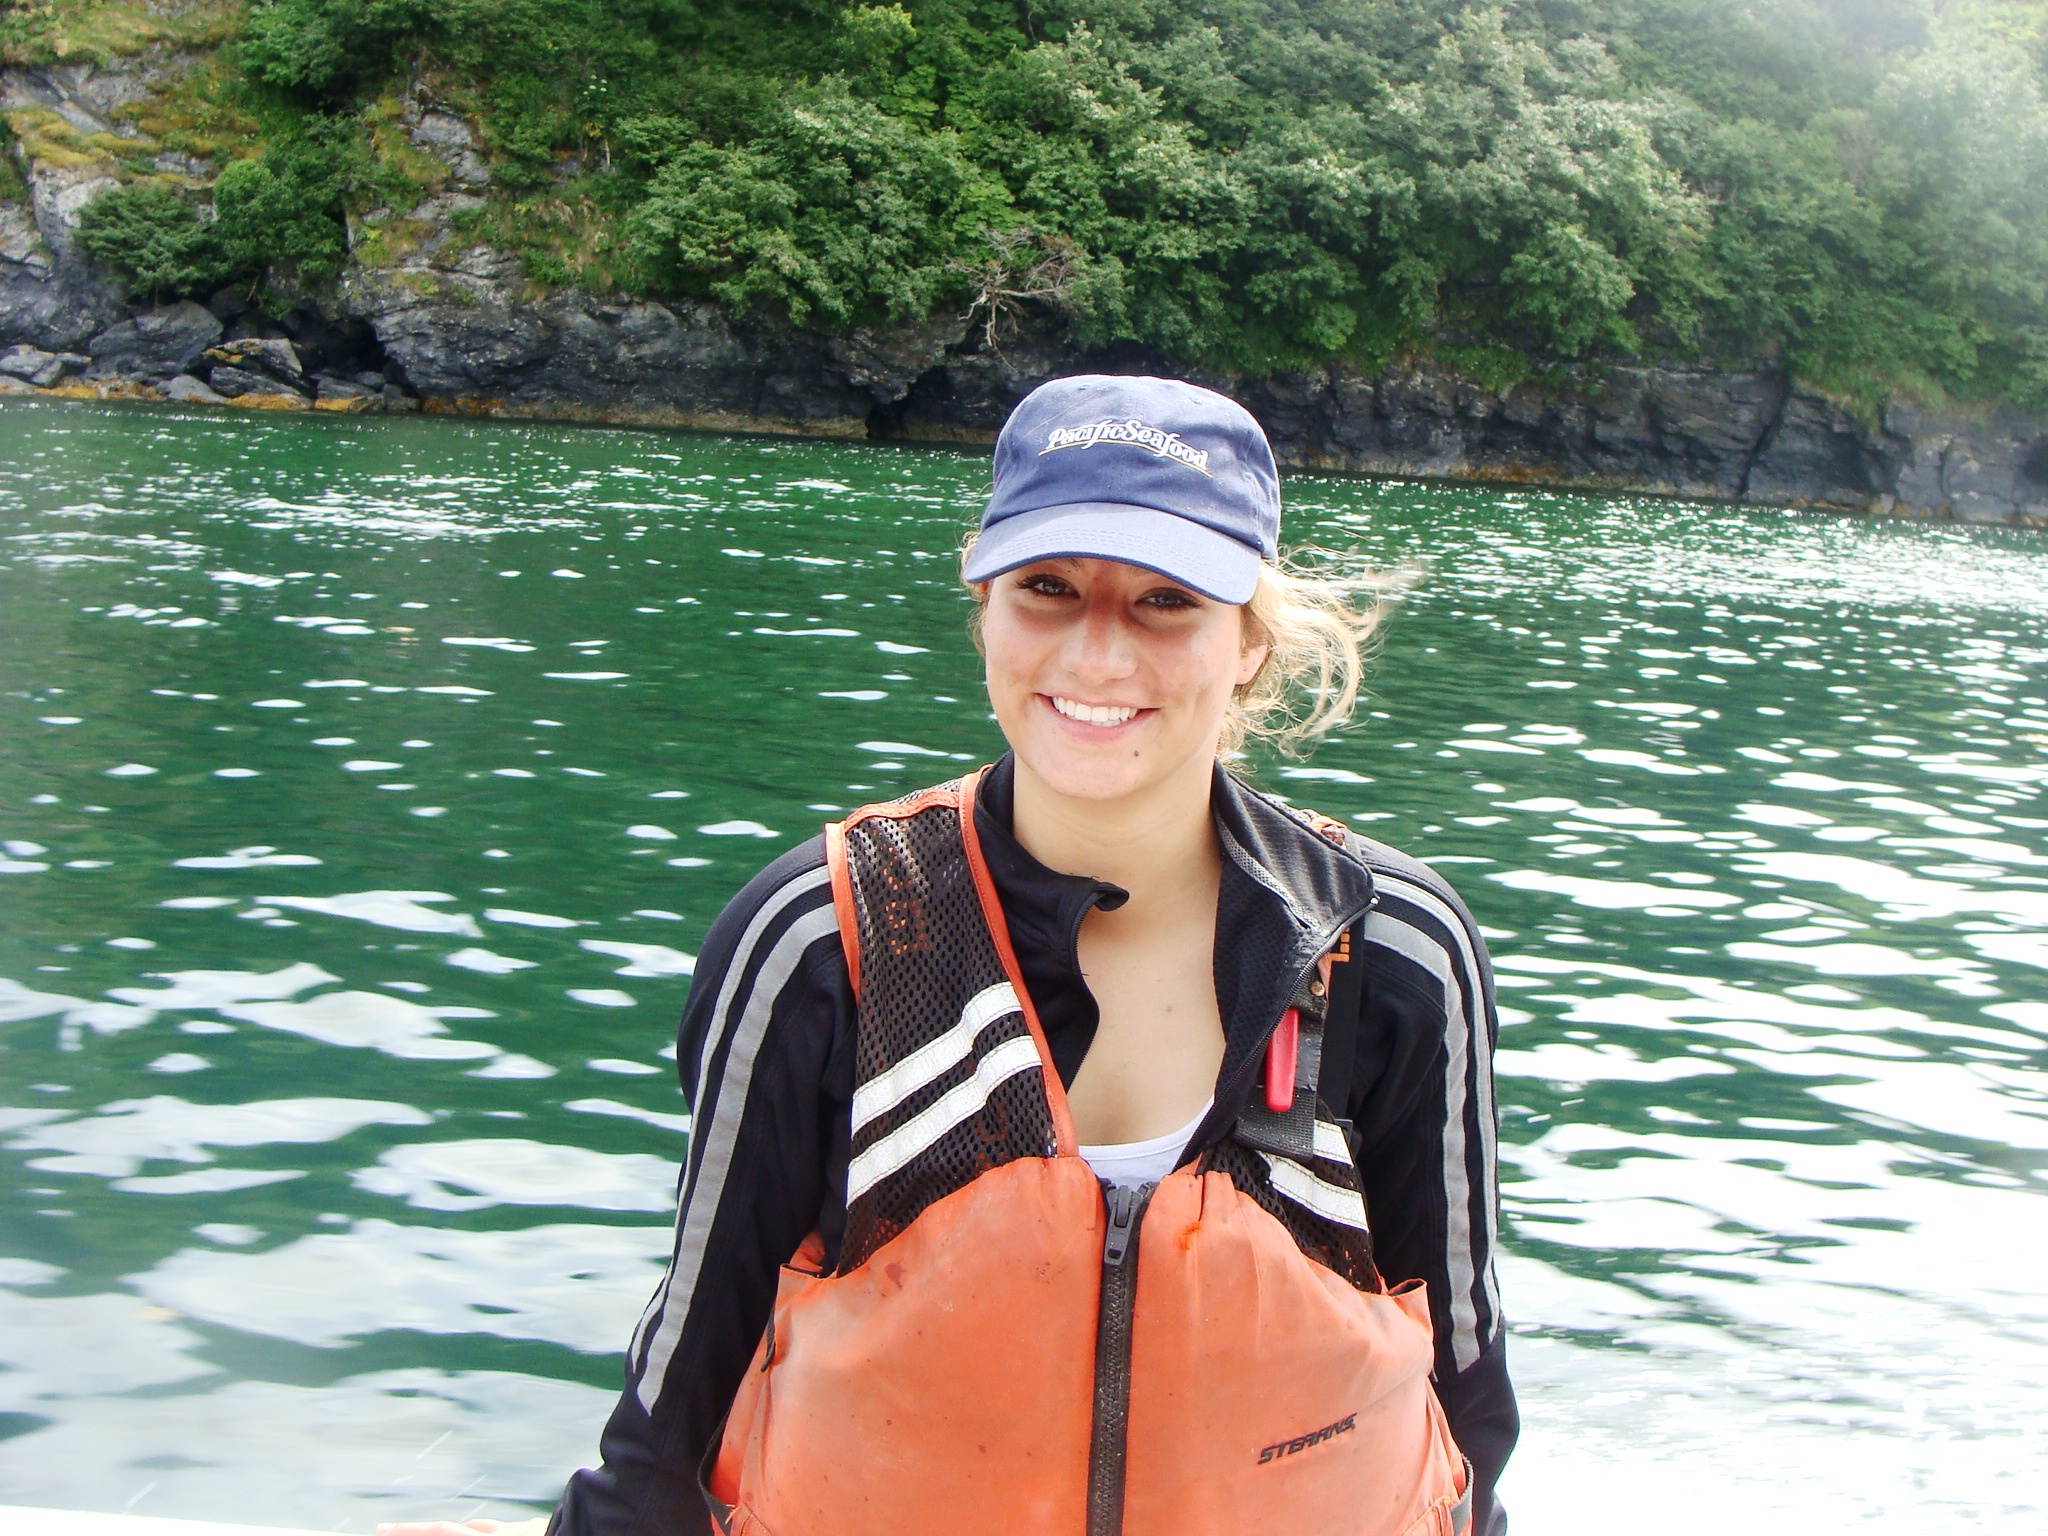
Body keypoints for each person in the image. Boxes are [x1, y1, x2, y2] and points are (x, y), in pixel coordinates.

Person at [383, 374, 1516, 1536]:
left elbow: (1466, 1408)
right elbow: (672, 1416)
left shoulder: (1390, 949)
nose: (1096, 655)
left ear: (1250, 647)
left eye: (1166, 601)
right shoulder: (819, 943)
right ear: (984, 607)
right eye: (1047, 588)